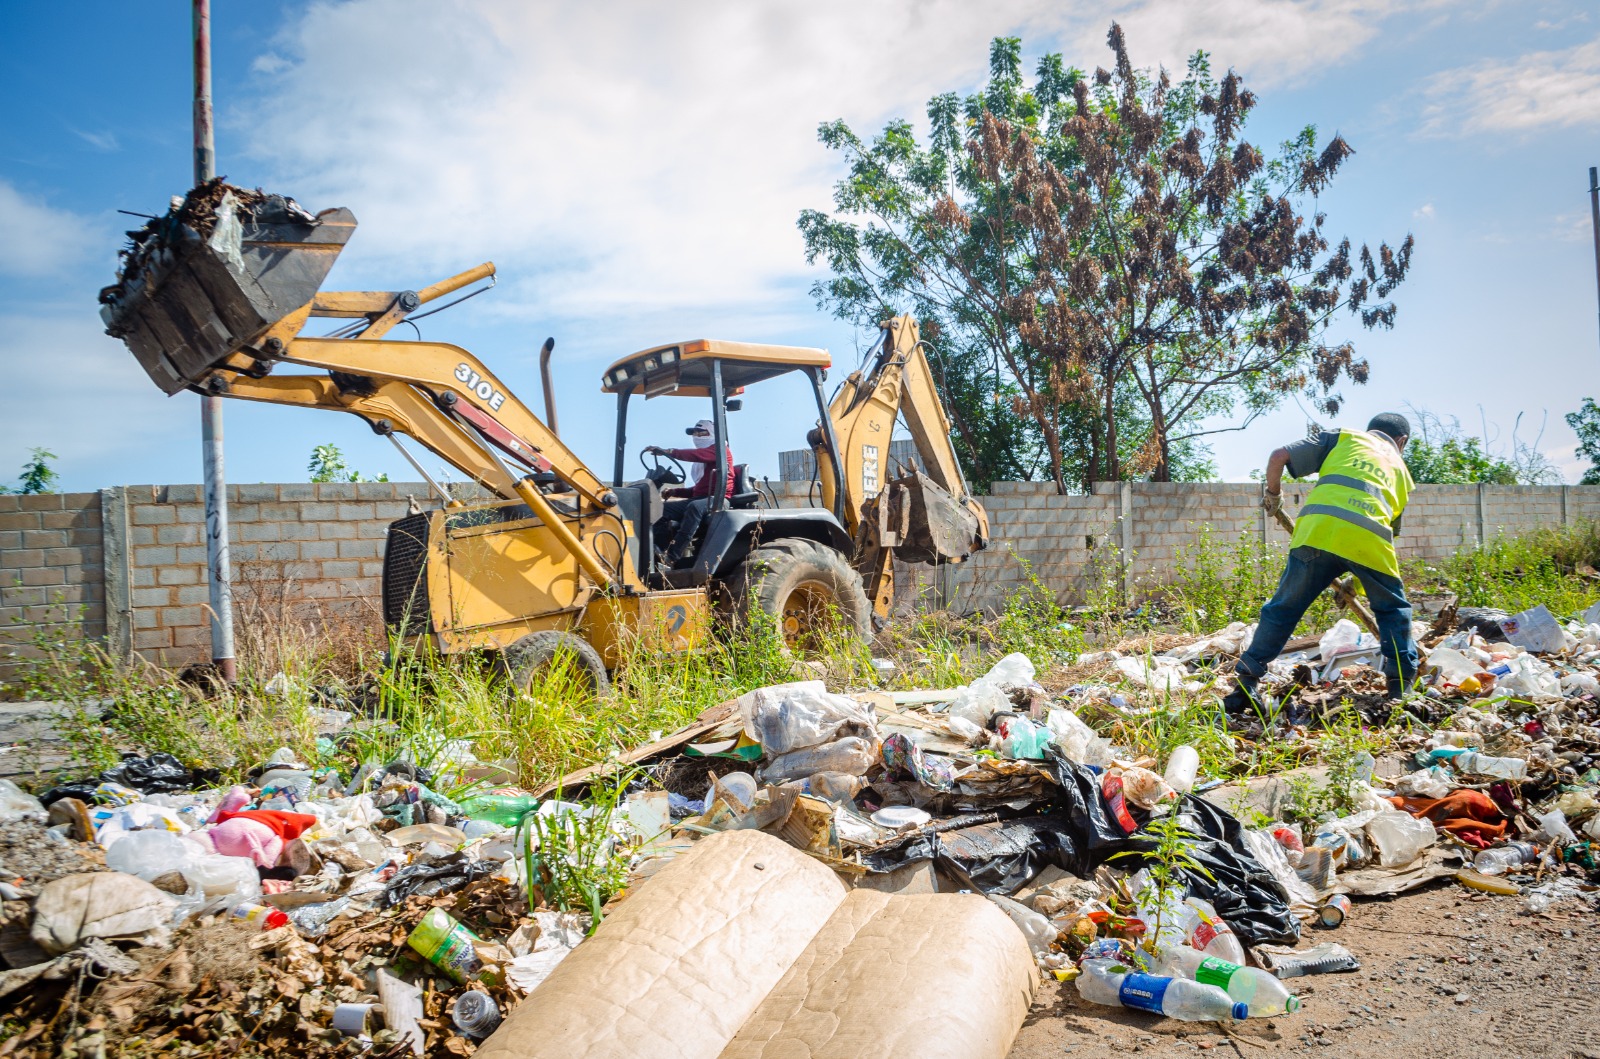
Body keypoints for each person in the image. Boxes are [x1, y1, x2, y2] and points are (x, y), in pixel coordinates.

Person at [1224, 412, 1418, 714]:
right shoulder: (1403, 473)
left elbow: (1278, 456)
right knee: (1393, 610)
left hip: (1316, 533)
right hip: (1370, 542)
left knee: (1283, 609)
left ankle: (1247, 682)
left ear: (1371, 430)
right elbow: (1387, 534)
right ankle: (1399, 690)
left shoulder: (1344, 437)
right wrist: (1360, 576)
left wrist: (1273, 494)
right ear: (1401, 441)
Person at [645, 418, 734, 566]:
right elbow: (697, 490)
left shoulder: (720, 451)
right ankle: (658, 552)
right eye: (695, 433)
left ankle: (673, 556)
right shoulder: (702, 462)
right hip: (702, 499)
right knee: (660, 509)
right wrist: (675, 492)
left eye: (701, 433)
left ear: (713, 433)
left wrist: (669, 452)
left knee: (694, 507)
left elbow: (695, 455)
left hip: (719, 499)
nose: (697, 436)